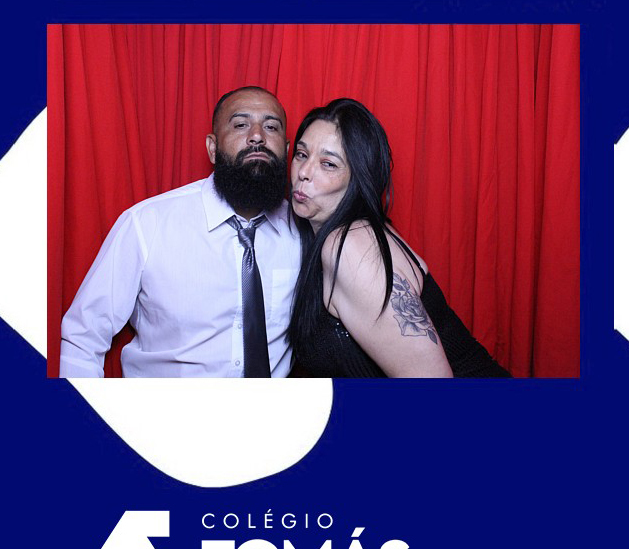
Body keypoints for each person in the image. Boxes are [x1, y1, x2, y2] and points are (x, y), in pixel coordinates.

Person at [59, 88, 301, 378]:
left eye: (271, 127)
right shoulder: (147, 224)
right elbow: (82, 338)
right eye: (240, 124)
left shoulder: (304, 231)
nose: (257, 136)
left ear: (287, 149)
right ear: (212, 148)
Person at [288, 99, 510, 376]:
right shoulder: (346, 234)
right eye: (301, 154)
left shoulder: (350, 246)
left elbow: (433, 385)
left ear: (358, 178)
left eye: (328, 164)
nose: (304, 173)